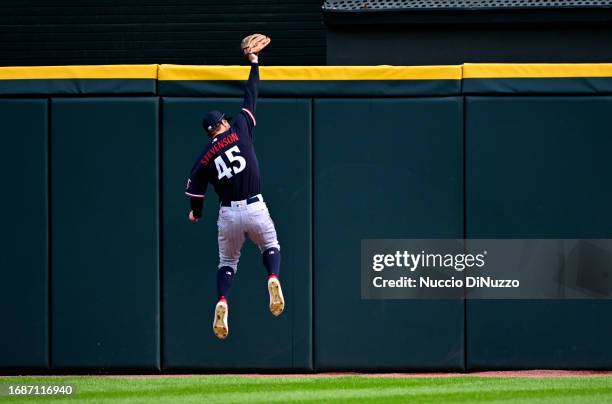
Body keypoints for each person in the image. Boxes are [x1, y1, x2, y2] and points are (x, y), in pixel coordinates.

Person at [184, 52, 284, 340]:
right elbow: (251, 93)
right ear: (224, 124)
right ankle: (273, 277)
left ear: (208, 133)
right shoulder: (240, 127)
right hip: (255, 206)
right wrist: (254, 63)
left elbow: (195, 192)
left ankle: (222, 301)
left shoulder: (204, 157)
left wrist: (196, 213)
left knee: (227, 264)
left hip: (228, 214)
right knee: (270, 246)